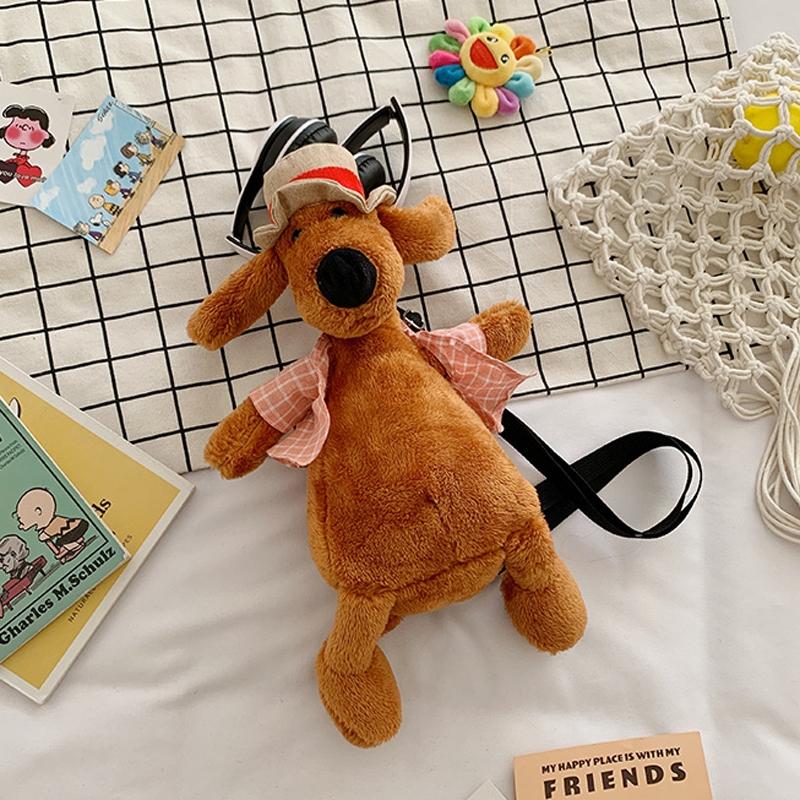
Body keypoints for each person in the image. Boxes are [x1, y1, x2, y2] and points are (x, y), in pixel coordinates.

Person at [15, 488, 89, 564]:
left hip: (76, 528)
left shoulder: (53, 523)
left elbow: (44, 536)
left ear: (38, 512)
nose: (20, 525)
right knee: (59, 543)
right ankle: (75, 546)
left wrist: (43, 536)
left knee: (61, 542)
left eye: (20, 518)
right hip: (74, 530)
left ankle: (74, 545)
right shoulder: (49, 526)